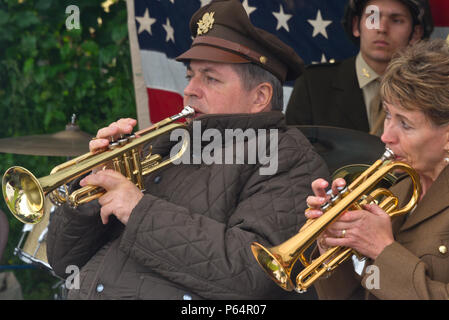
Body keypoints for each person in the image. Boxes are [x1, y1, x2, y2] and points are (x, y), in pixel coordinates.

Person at [46, 0, 329, 300]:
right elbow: (64, 262)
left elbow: (252, 275)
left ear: (260, 97)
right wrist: (93, 189)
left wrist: (138, 209)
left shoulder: (290, 158)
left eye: (210, 78)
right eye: (189, 75)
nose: (189, 89)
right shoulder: (167, 144)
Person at [305, 39, 449, 300]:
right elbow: (362, 290)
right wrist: (333, 244)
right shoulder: (399, 189)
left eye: (405, 124)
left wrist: (383, 249)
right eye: (388, 115)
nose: (386, 136)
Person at [286, 0, 434, 136]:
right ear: (356, 25)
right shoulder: (313, 84)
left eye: (396, 20)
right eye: (372, 18)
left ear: (416, 33)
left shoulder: (431, 91)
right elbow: (292, 154)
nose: (381, 28)